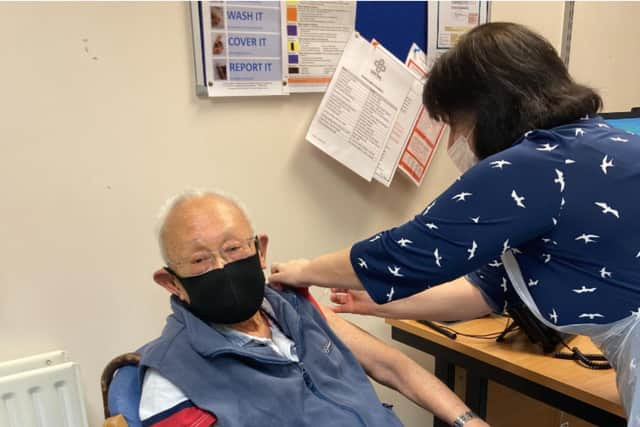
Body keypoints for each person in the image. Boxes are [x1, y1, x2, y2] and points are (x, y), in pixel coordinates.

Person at [270, 22, 640, 425]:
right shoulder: (605, 141)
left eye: (453, 123)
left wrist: (303, 270)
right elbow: (488, 287)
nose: (453, 142)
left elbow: (400, 254)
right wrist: (382, 305)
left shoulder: (528, 167)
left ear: (488, 106)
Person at [137, 190, 488, 427]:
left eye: (232, 249)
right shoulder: (172, 378)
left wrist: (467, 422)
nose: (221, 267)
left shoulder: (292, 307)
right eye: (199, 259)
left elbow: (392, 366)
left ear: (260, 250)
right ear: (172, 282)